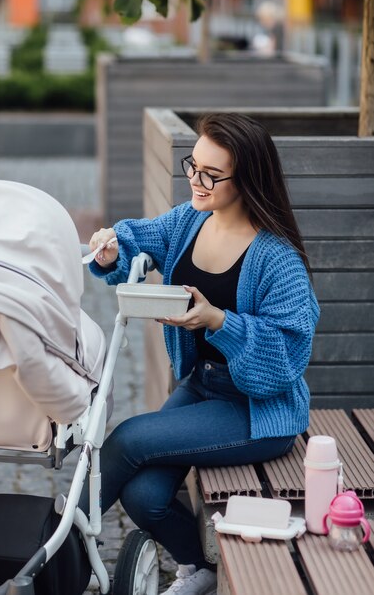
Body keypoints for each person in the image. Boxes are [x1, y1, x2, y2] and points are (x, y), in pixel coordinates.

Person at [88, 113, 320, 595]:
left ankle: (61, 551)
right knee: (144, 496)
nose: (195, 179)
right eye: (193, 165)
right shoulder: (191, 219)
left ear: (248, 178)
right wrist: (111, 250)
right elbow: (136, 238)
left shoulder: (278, 259)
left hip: (258, 409)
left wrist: (219, 321)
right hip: (202, 385)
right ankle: (201, 568)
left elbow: (284, 362)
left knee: (128, 438)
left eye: (211, 174)